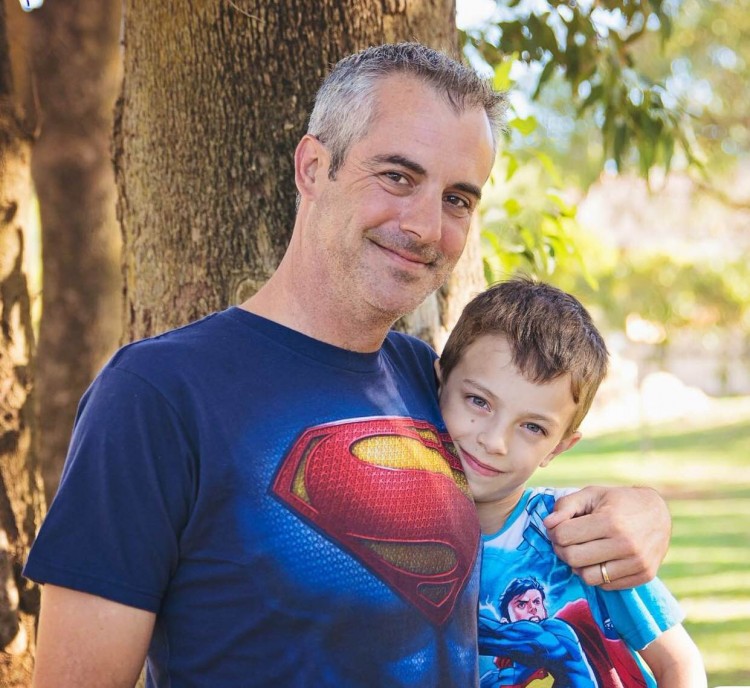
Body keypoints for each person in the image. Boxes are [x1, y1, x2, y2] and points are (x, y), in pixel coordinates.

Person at [24, 43, 671, 687]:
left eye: (458, 199)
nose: (424, 225)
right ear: (312, 167)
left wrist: (644, 510)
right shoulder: (156, 396)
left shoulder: (428, 379)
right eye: (397, 176)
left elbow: (519, 490)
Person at [435, 277, 706, 687]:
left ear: (558, 448)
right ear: (439, 384)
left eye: (532, 427)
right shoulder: (391, 541)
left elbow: (679, 665)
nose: (494, 441)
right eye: (479, 401)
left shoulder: (583, 536)